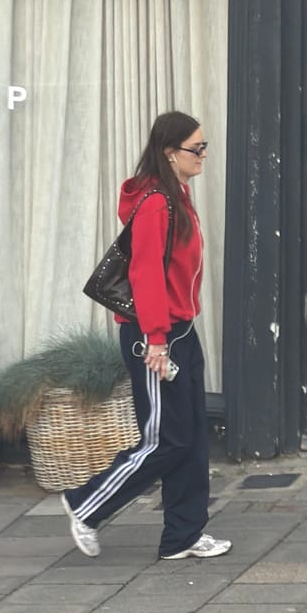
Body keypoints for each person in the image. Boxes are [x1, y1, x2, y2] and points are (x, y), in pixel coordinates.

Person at [61, 111, 232, 561]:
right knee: (164, 439)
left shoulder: (178, 195)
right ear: (170, 153)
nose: (204, 155)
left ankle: (183, 535)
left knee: (192, 436)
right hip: (154, 338)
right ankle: (85, 505)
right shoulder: (158, 203)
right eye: (197, 148)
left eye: (204, 145)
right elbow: (145, 276)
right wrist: (156, 339)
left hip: (180, 332)